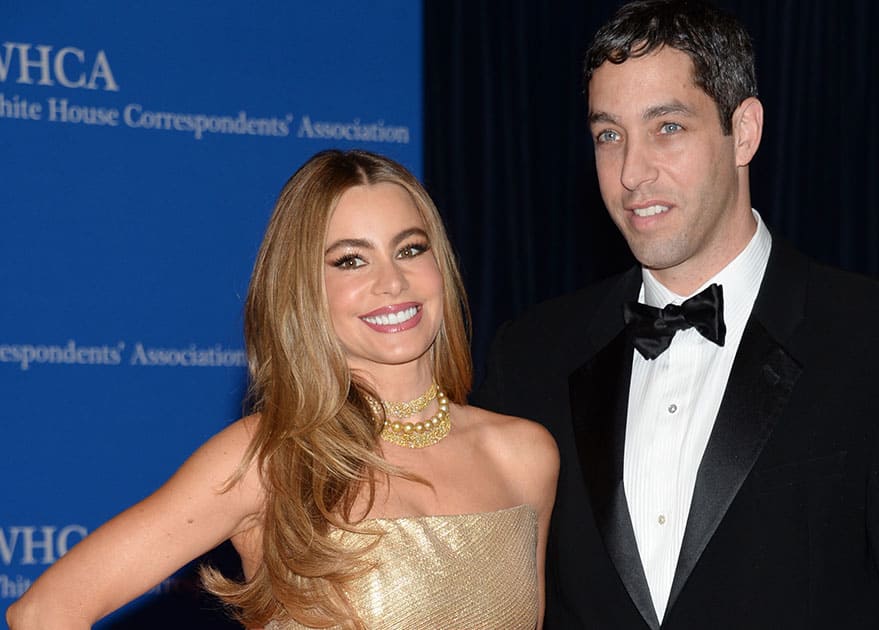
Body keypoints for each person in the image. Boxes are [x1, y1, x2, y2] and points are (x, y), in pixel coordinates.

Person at [474, 1, 879, 628]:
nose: (632, 172)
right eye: (608, 135)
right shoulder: (531, 355)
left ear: (744, 130)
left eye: (667, 127)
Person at [6, 149, 558, 630]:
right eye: (350, 260)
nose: (392, 281)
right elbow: (43, 613)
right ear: (303, 291)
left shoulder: (523, 455)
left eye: (410, 249)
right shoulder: (268, 458)